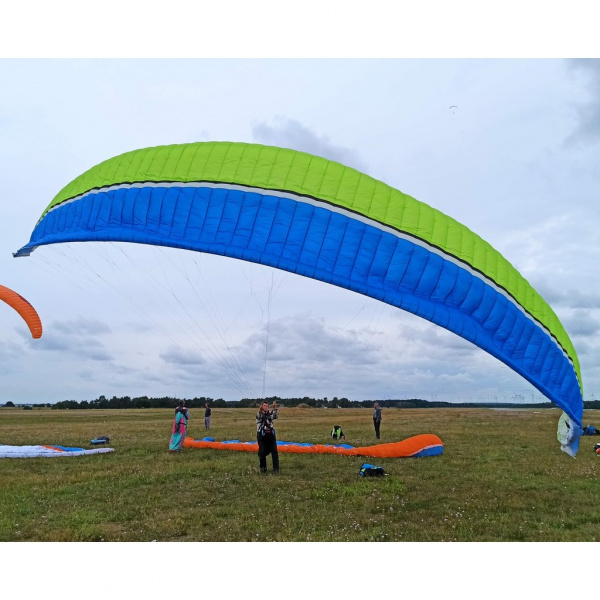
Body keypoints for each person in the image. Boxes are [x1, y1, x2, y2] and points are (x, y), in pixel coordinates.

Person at [256, 400, 279, 474]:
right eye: (264, 405)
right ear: (261, 406)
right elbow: (263, 417)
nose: (265, 407)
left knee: (274, 451)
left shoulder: (270, 413)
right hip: (262, 436)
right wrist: (270, 412)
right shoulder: (259, 414)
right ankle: (263, 469)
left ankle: (276, 469)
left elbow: (276, 416)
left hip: (271, 435)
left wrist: (275, 409)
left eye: (267, 406)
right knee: (262, 452)